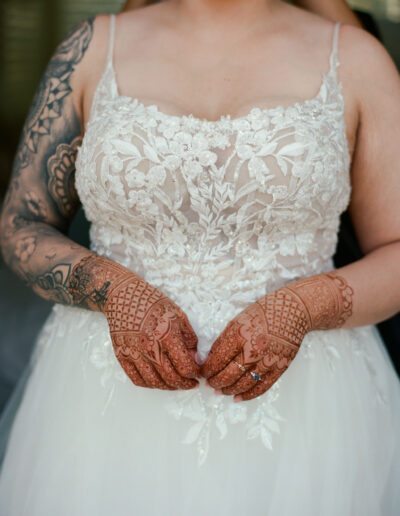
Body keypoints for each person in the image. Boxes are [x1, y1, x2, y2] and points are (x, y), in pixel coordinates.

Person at [0, 0, 399, 513]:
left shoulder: (357, 60)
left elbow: (395, 250)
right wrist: (112, 290)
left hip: (306, 416)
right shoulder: (93, 48)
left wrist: (302, 306)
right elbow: (20, 224)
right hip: (102, 407)